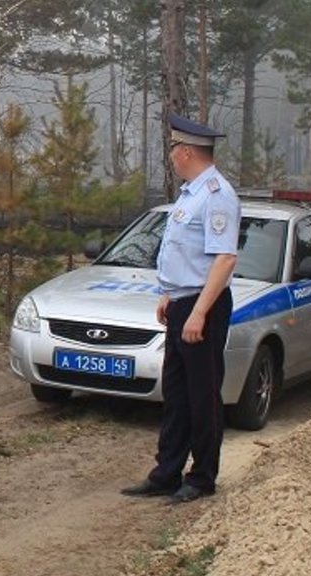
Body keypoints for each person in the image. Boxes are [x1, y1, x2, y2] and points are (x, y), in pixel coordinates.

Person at [121, 113, 240, 504]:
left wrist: (199, 312)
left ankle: (202, 476)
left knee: (202, 394)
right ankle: (166, 473)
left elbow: (224, 260)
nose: (171, 155)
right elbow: (184, 255)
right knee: (176, 393)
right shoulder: (191, 193)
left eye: (173, 148)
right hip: (181, 302)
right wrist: (169, 295)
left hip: (202, 306)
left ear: (186, 151)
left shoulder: (217, 195)